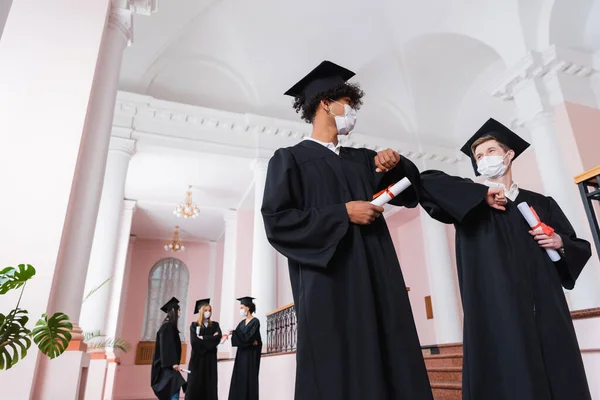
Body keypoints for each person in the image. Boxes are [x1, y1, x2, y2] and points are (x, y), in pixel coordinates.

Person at [261, 60, 433, 400]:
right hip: (329, 286)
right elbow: (277, 221)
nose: (352, 112)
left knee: (391, 358)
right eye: (349, 104)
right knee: (337, 368)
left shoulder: (363, 160)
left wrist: (397, 163)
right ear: (327, 103)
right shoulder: (289, 160)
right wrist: (342, 214)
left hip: (377, 279)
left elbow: (411, 192)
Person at [418, 118, 592, 400]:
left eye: (490, 151)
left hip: (545, 309)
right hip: (496, 310)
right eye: (479, 156)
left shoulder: (541, 203)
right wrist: (480, 194)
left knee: (557, 375)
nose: (483, 159)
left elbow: (577, 248)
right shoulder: (471, 203)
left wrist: (560, 243)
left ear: (508, 154)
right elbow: (425, 182)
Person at [151, 297, 187, 400]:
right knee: (173, 387)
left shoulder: (169, 326)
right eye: (178, 310)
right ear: (173, 311)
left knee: (174, 387)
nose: (180, 313)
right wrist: (173, 363)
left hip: (168, 366)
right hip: (166, 366)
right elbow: (167, 347)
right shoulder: (167, 326)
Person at [185, 298, 221, 400]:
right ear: (201, 311)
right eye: (205, 310)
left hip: (210, 360)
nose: (208, 313)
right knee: (194, 385)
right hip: (197, 359)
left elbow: (218, 338)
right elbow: (195, 342)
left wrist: (204, 338)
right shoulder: (194, 325)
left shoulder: (215, 325)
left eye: (209, 310)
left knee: (210, 385)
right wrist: (211, 340)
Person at [228, 297, 261, 400]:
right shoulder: (242, 323)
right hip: (241, 354)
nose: (241, 310)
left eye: (242, 307)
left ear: (248, 308)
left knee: (249, 379)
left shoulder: (255, 321)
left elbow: (250, 337)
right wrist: (235, 333)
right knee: (239, 378)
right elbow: (240, 338)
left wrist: (238, 335)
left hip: (250, 355)